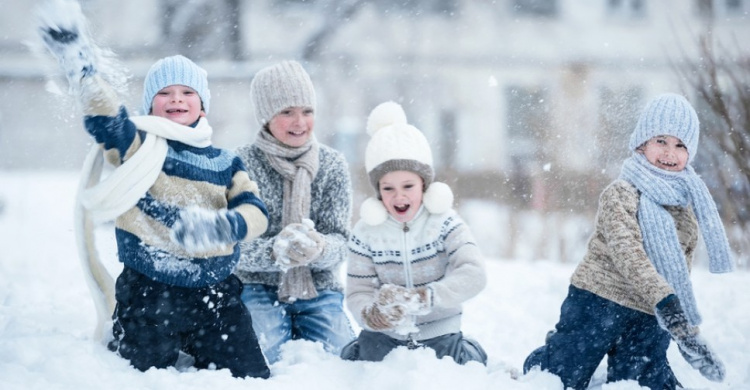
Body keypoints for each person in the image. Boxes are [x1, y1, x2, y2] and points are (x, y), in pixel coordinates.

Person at [38, 4, 271, 377]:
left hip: (215, 294)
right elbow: (108, 120)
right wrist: (83, 70)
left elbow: (257, 213)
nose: (176, 98)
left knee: (250, 376)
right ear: (150, 105)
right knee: (138, 376)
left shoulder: (226, 162)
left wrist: (223, 227)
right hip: (150, 292)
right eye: (164, 93)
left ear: (203, 106)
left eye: (186, 92)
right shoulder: (139, 148)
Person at [522, 93, 734, 389]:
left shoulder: (686, 211)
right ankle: (551, 355)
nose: (669, 153)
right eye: (661, 140)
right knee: (562, 378)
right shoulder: (620, 193)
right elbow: (628, 255)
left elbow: (678, 275)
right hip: (598, 302)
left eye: (680, 145)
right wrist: (667, 303)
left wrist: (685, 330)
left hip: (649, 313)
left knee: (644, 382)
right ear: (642, 143)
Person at [341, 101, 488, 365]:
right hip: (384, 335)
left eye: (408, 185)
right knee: (360, 361)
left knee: (458, 365)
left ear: (424, 184)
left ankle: (471, 350)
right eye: (388, 188)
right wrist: (372, 314)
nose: (399, 196)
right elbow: (357, 290)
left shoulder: (445, 223)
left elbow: (474, 273)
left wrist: (426, 297)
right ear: (378, 190)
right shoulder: (365, 233)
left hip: (440, 330)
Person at [233, 60, 354, 364]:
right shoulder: (240, 163)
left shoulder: (332, 164)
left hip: (319, 287)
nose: (299, 122)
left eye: (307, 111)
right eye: (287, 112)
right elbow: (231, 246)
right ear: (266, 117)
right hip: (257, 286)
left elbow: (341, 240)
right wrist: (275, 253)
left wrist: (319, 248)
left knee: (344, 360)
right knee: (263, 359)